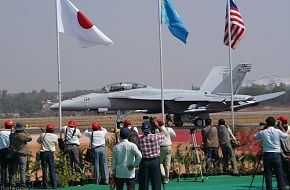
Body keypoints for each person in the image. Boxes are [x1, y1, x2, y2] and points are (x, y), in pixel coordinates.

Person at [253, 116, 289, 190]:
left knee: (268, 174)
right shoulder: (277, 131)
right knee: (279, 174)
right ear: (274, 123)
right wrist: (280, 127)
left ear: (267, 123)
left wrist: (260, 129)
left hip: (267, 154)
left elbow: (254, 137)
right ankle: (282, 188)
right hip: (277, 154)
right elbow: (285, 135)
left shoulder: (263, 132)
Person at [138, 120, 165, 190]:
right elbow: (163, 133)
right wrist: (157, 125)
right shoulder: (156, 137)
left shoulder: (139, 139)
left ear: (142, 129)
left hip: (144, 162)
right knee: (156, 183)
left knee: (143, 184)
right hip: (155, 161)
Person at [9, 122, 32, 188]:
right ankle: (23, 185)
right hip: (22, 155)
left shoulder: (12, 135)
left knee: (14, 171)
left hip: (14, 154)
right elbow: (30, 138)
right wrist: (24, 131)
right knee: (22, 171)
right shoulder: (22, 135)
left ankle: (13, 185)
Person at [37, 124, 58, 189]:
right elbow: (56, 144)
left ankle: (45, 185)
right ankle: (54, 185)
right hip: (50, 153)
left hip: (43, 153)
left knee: (44, 169)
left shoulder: (43, 135)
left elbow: (38, 141)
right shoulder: (55, 136)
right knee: (52, 169)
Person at [157, 117, 176, 184]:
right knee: (167, 164)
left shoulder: (157, 130)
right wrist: (170, 128)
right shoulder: (169, 129)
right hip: (168, 147)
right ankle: (167, 179)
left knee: (160, 162)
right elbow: (174, 135)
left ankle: (163, 174)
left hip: (161, 147)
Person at [0, 120, 13, 187]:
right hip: (10, 151)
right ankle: (11, 183)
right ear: (11, 127)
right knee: (11, 168)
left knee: (3, 168)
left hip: (2, 151)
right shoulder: (12, 133)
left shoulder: (1, 132)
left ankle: (3, 184)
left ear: (5, 126)